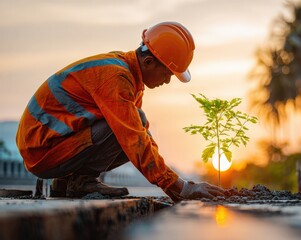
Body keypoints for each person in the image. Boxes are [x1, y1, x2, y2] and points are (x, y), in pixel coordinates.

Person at [15, 21, 225, 201]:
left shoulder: (130, 75)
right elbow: (133, 140)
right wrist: (181, 188)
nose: (168, 81)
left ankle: (66, 183)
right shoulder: (117, 78)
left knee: (140, 127)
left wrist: (177, 185)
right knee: (131, 130)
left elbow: (142, 138)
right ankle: (81, 182)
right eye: (167, 74)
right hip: (42, 151)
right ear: (149, 61)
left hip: (51, 146)